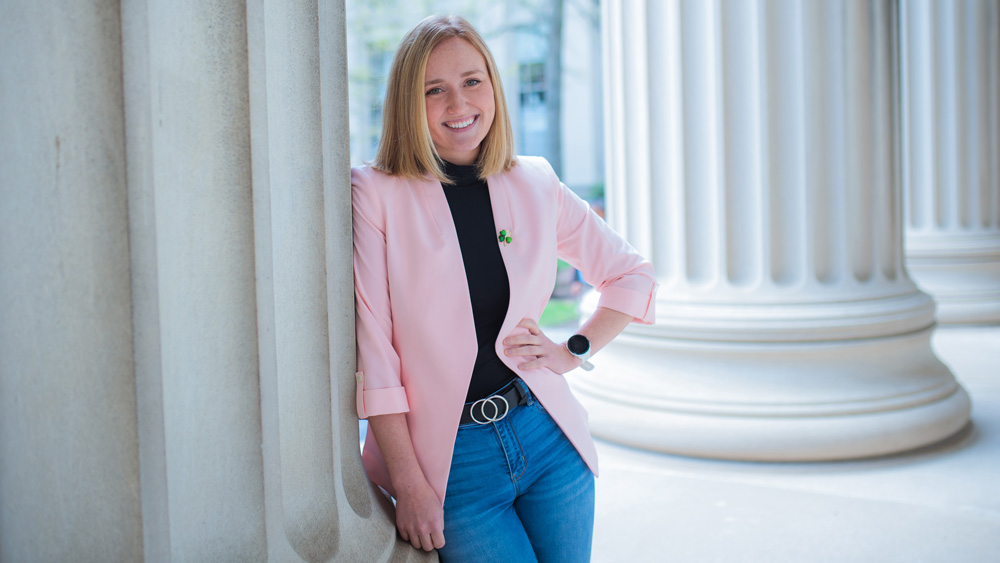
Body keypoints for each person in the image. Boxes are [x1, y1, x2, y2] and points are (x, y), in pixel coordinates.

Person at [352, 14, 657, 563]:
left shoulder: (534, 180)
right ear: (407, 102)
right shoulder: (375, 194)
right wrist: (410, 481)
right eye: (434, 90)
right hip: (453, 463)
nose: (458, 104)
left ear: (492, 85)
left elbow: (630, 274)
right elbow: (375, 356)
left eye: (472, 81)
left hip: (547, 440)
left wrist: (572, 352)